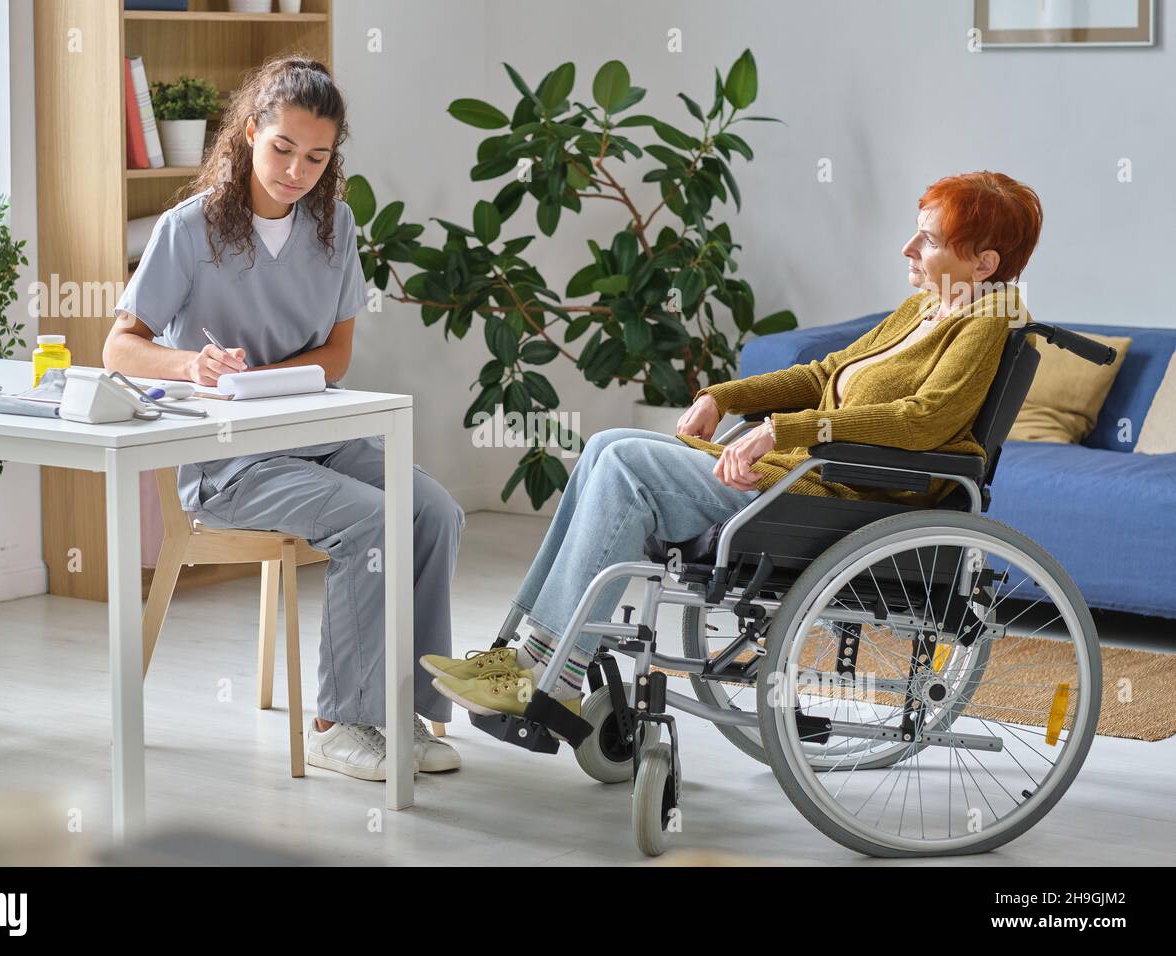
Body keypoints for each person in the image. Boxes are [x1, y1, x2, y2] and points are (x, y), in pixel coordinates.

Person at [425, 171, 1042, 721]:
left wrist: (786, 429)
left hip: (845, 493)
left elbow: (922, 422)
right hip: (806, 473)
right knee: (606, 445)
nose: (908, 248)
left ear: (983, 264)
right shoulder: (926, 307)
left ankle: (551, 672)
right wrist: (722, 395)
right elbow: (823, 374)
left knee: (626, 465)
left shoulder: (988, 323)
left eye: (928, 240)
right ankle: (521, 654)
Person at [105, 55, 464, 781]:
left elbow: (336, 354)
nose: (296, 169)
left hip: (316, 443)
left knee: (434, 511)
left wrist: (267, 380)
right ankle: (342, 721)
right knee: (373, 520)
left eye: (316, 156)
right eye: (282, 148)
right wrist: (191, 367)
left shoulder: (335, 227)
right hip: (231, 466)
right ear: (248, 134)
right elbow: (119, 346)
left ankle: (404, 709)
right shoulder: (189, 229)